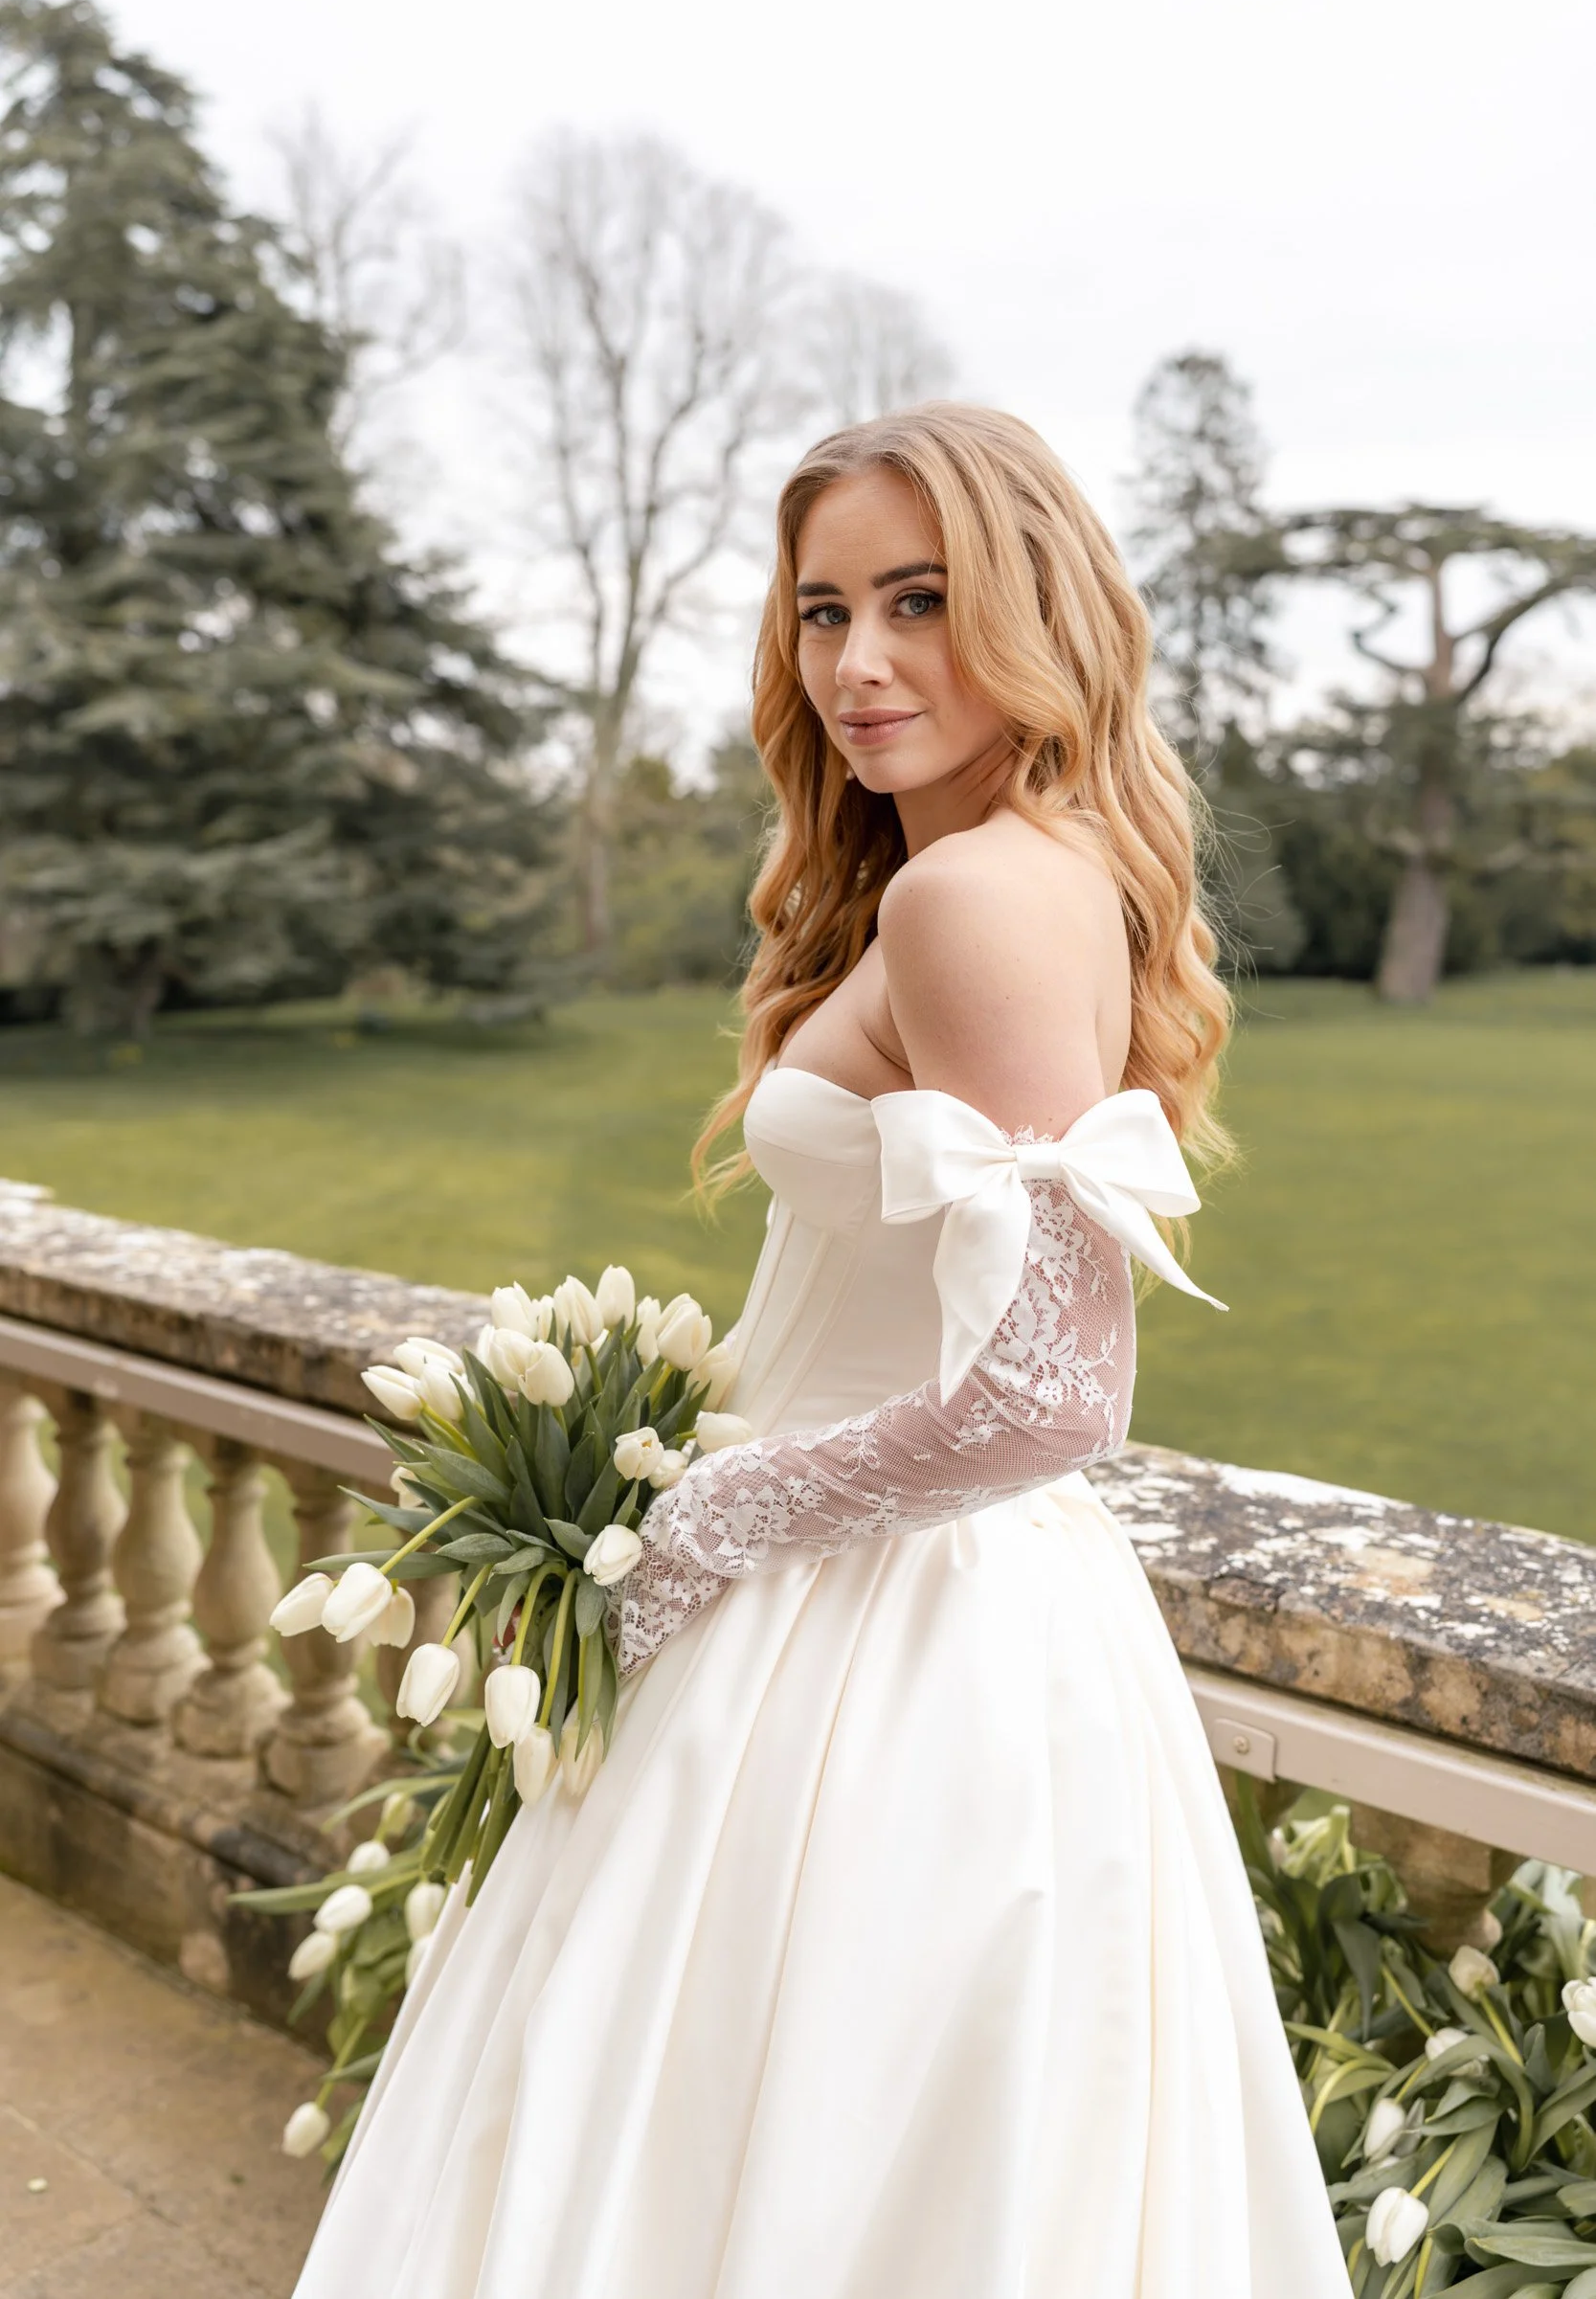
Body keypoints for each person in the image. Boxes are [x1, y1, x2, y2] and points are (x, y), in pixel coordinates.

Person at [292, 403, 1350, 2298]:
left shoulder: (973, 890)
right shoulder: (973, 868)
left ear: (1033, 613)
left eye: (918, 603)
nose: (857, 664)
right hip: (880, 1606)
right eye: (820, 611)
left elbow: (1050, 1391)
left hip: (885, 1641)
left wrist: (708, 1521)